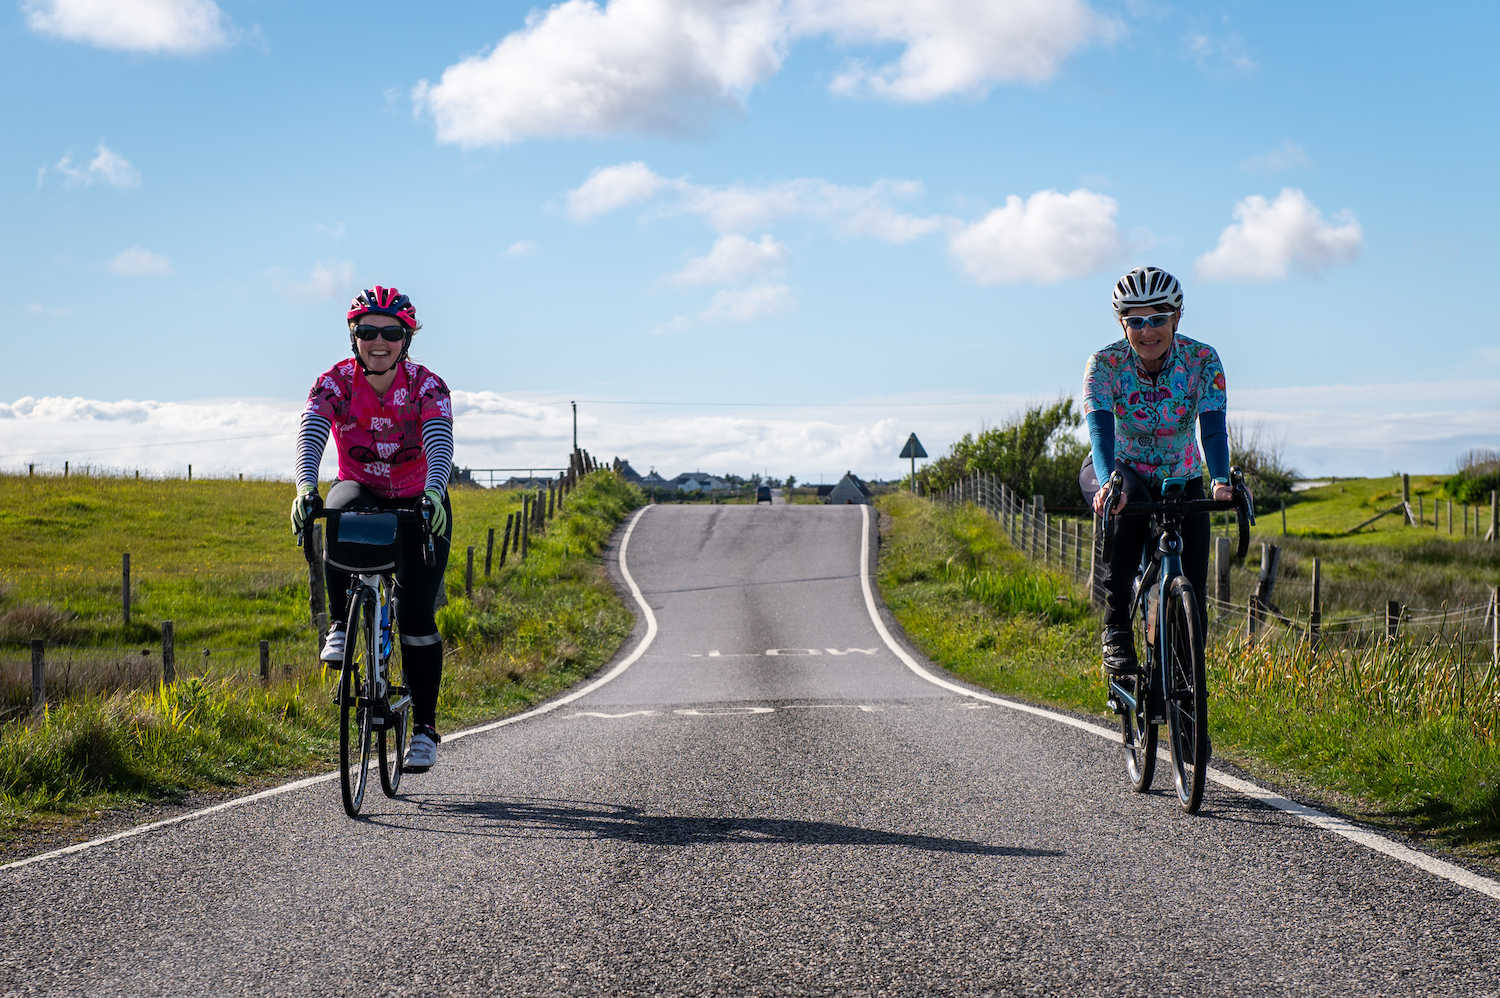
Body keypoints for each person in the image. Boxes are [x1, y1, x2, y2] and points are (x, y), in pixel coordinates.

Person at [290, 286, 454, 771]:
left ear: (406, 339)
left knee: (416, 614)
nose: (378, 341)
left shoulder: (428, 386)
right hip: (360, 488)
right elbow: (313, 430)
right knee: (339, 512)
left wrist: (435, 489)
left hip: (417, 495)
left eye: (391, 332)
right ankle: (341, 625)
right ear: (353, 337)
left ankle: (423, 728)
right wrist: (304, 487)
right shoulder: (335, 382)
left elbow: (439, 439)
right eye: (368, 332)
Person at [1082, 266, 1232, 681]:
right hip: (1118, 468)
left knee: (1194, 591)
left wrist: (1219, 479)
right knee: (1130, 502)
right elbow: (1100, 432)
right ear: (1122, 323)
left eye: (1158, 319)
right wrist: (1109, 480)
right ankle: (1115, 628)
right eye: (1136, 321)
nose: (1148, 331)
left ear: (1177, 319)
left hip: (1182, 474)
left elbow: (1214, 426)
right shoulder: (1105, 364)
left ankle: (1186, 693)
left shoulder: (1202, 359)